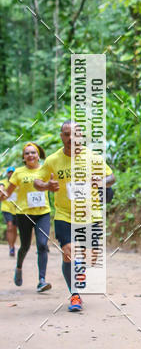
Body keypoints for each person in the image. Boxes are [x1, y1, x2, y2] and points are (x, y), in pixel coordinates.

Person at [34, 122, 115, 313]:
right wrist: (46, 186)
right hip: (64, 214)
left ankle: (80, 267)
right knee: (68, 251)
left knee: (90, 258)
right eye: (66, 134)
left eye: (75, 134)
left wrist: (101, 181)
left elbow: (112, 177)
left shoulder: (93, 157)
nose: (71, 138)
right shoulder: (53, 160)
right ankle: (75, 294)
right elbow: (38, 181)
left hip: (91, 213)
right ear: (61, 136)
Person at [0, 144, 51, 292]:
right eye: (27, 153)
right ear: (23, 157)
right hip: (24, 214)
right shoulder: (18, 173)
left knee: (42, 245)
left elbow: (54, 185)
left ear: (38, 155)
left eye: (33, 153)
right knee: (25, 246)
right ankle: (19, 266)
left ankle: (42, 280)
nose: (30, 155)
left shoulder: (45, 169)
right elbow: (7, 195)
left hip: (43, 213)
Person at [1, 166, 18, 257]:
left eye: (13, 172)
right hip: (6, 208)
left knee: (14, 228)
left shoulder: (19, 182)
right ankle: (11, 247)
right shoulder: (3, 182)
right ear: (7, 173)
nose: (11, 174)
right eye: (9, 172)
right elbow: (1, 187)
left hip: (18, 209)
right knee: (10, 226)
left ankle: (13, 245)